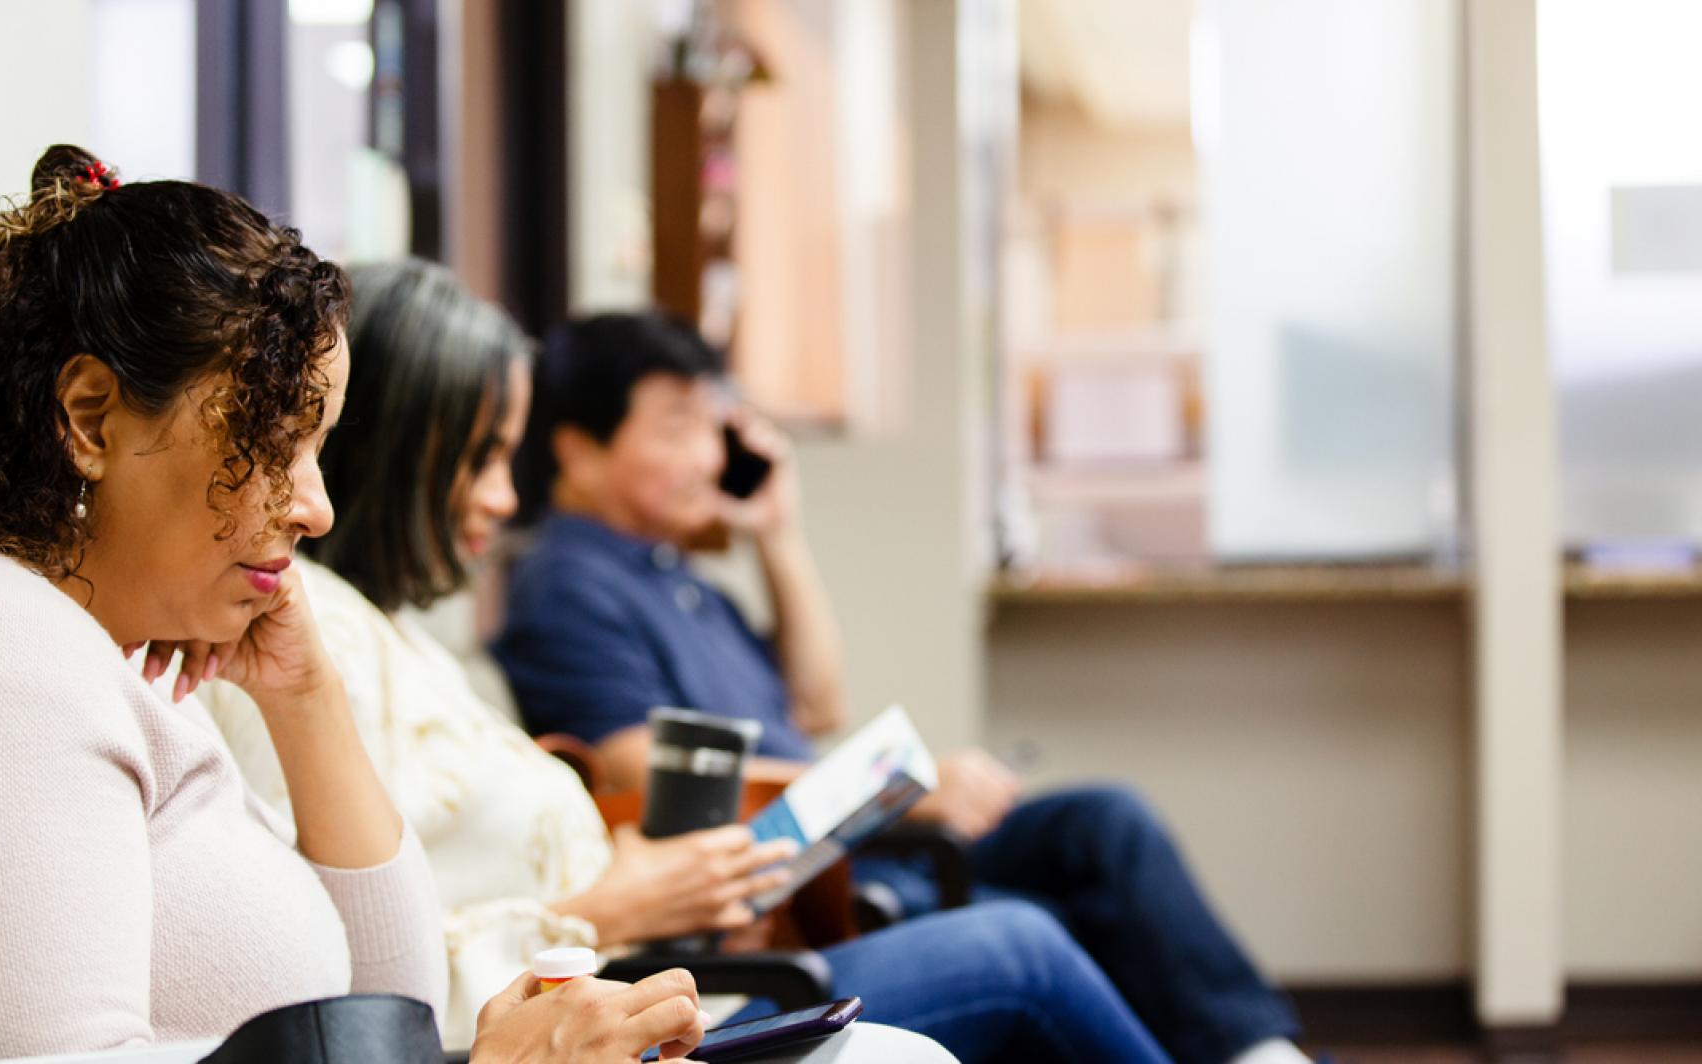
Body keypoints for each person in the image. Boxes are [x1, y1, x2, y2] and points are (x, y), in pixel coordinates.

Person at [0, 149, 704, 1064]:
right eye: (276, 443)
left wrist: (304, 696)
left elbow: (386, 1015)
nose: (315, 507)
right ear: (89, 417)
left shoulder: (89, 658)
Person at [201, 259, 1179, 1063]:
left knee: (1091, 841)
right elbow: (362, 965)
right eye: (482, 457)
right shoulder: (311, 638)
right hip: (634, 987)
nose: (503, 495)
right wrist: (615, 900)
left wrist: (778, 535)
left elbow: (816, 699)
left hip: (677, 944)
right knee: (1020, 943)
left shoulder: (423, 634)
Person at [490, 311, 1312, 1064]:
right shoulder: (570, 587)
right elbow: (655, 783)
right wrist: (903, 796)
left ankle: (1264, 1056)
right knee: (1051, 921)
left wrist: (779, 536)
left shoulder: (677, 575)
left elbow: (817, 708)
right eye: (677, 428)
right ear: (577, 447)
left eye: (712, 424)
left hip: (844, 841)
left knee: (1105, 824)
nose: (708, 455)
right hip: (808, 875)